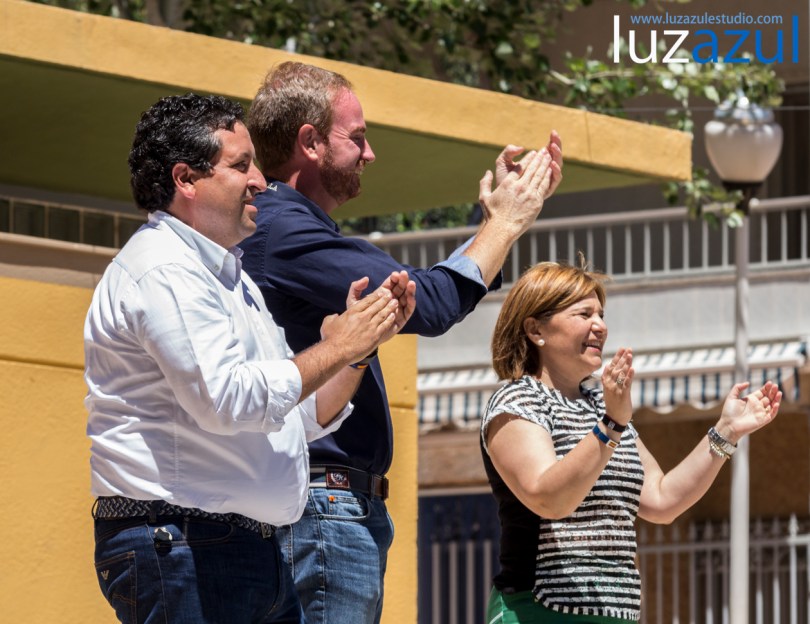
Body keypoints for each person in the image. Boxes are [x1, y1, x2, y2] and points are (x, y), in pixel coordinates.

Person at [240, 60, 563, 624]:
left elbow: (430, 294)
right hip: (323, 508)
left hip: (325, 507)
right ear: (310, 143)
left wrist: (496, 226)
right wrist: (504, 224)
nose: (370, 154)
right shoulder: (284, 229)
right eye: (357, 137)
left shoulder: (281, 228)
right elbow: (430, 302)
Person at [84, 93, 416, 624]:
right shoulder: (164, 269)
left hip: (240, 549)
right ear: (185, 179)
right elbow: (229, 400)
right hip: (184, 545)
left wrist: (357, 350)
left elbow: (296, 417)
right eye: (241, 166)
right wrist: (336, 347)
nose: (261, 181)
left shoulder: (229, 279)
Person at [480, 260, 781, 623]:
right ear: (535, 330)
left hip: (615, 613)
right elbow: (549, 499)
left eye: (601, 314)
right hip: (536, 609)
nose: (600, 326)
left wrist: (726, 432)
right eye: (584, 314)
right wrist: (611, 424)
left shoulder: (600, 406)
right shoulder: (518, 400)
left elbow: (662, 500)